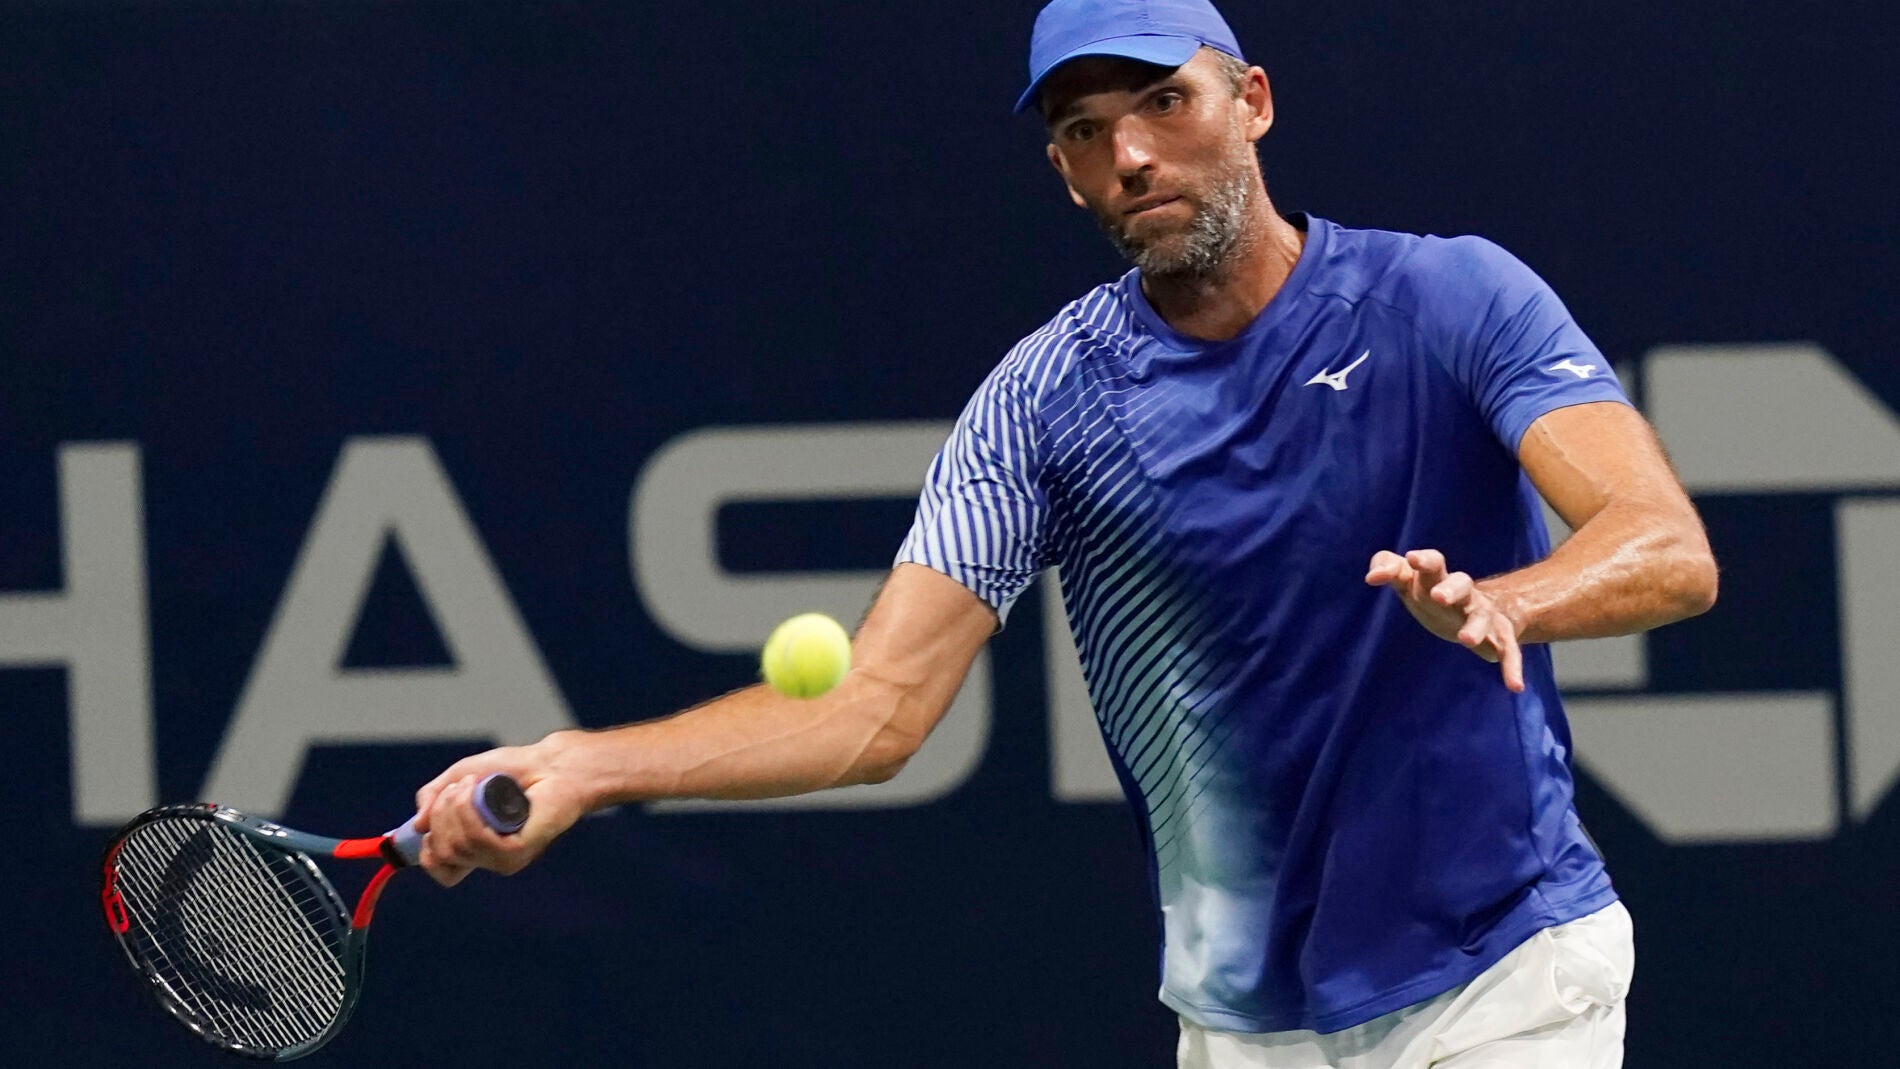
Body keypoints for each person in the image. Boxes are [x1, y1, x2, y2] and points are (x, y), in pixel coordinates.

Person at [411, 0, 1717, 1065]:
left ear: (1253, 102)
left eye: (1165, 103)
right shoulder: (1041, 404)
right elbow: (874, 711)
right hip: (1243, 1023)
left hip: (1504, 977)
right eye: (1086, 132)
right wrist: (585, 765)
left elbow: (1665, 543)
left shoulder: (1449, 297)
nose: (1130, 155)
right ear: (1063, 171)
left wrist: (1512, 601)